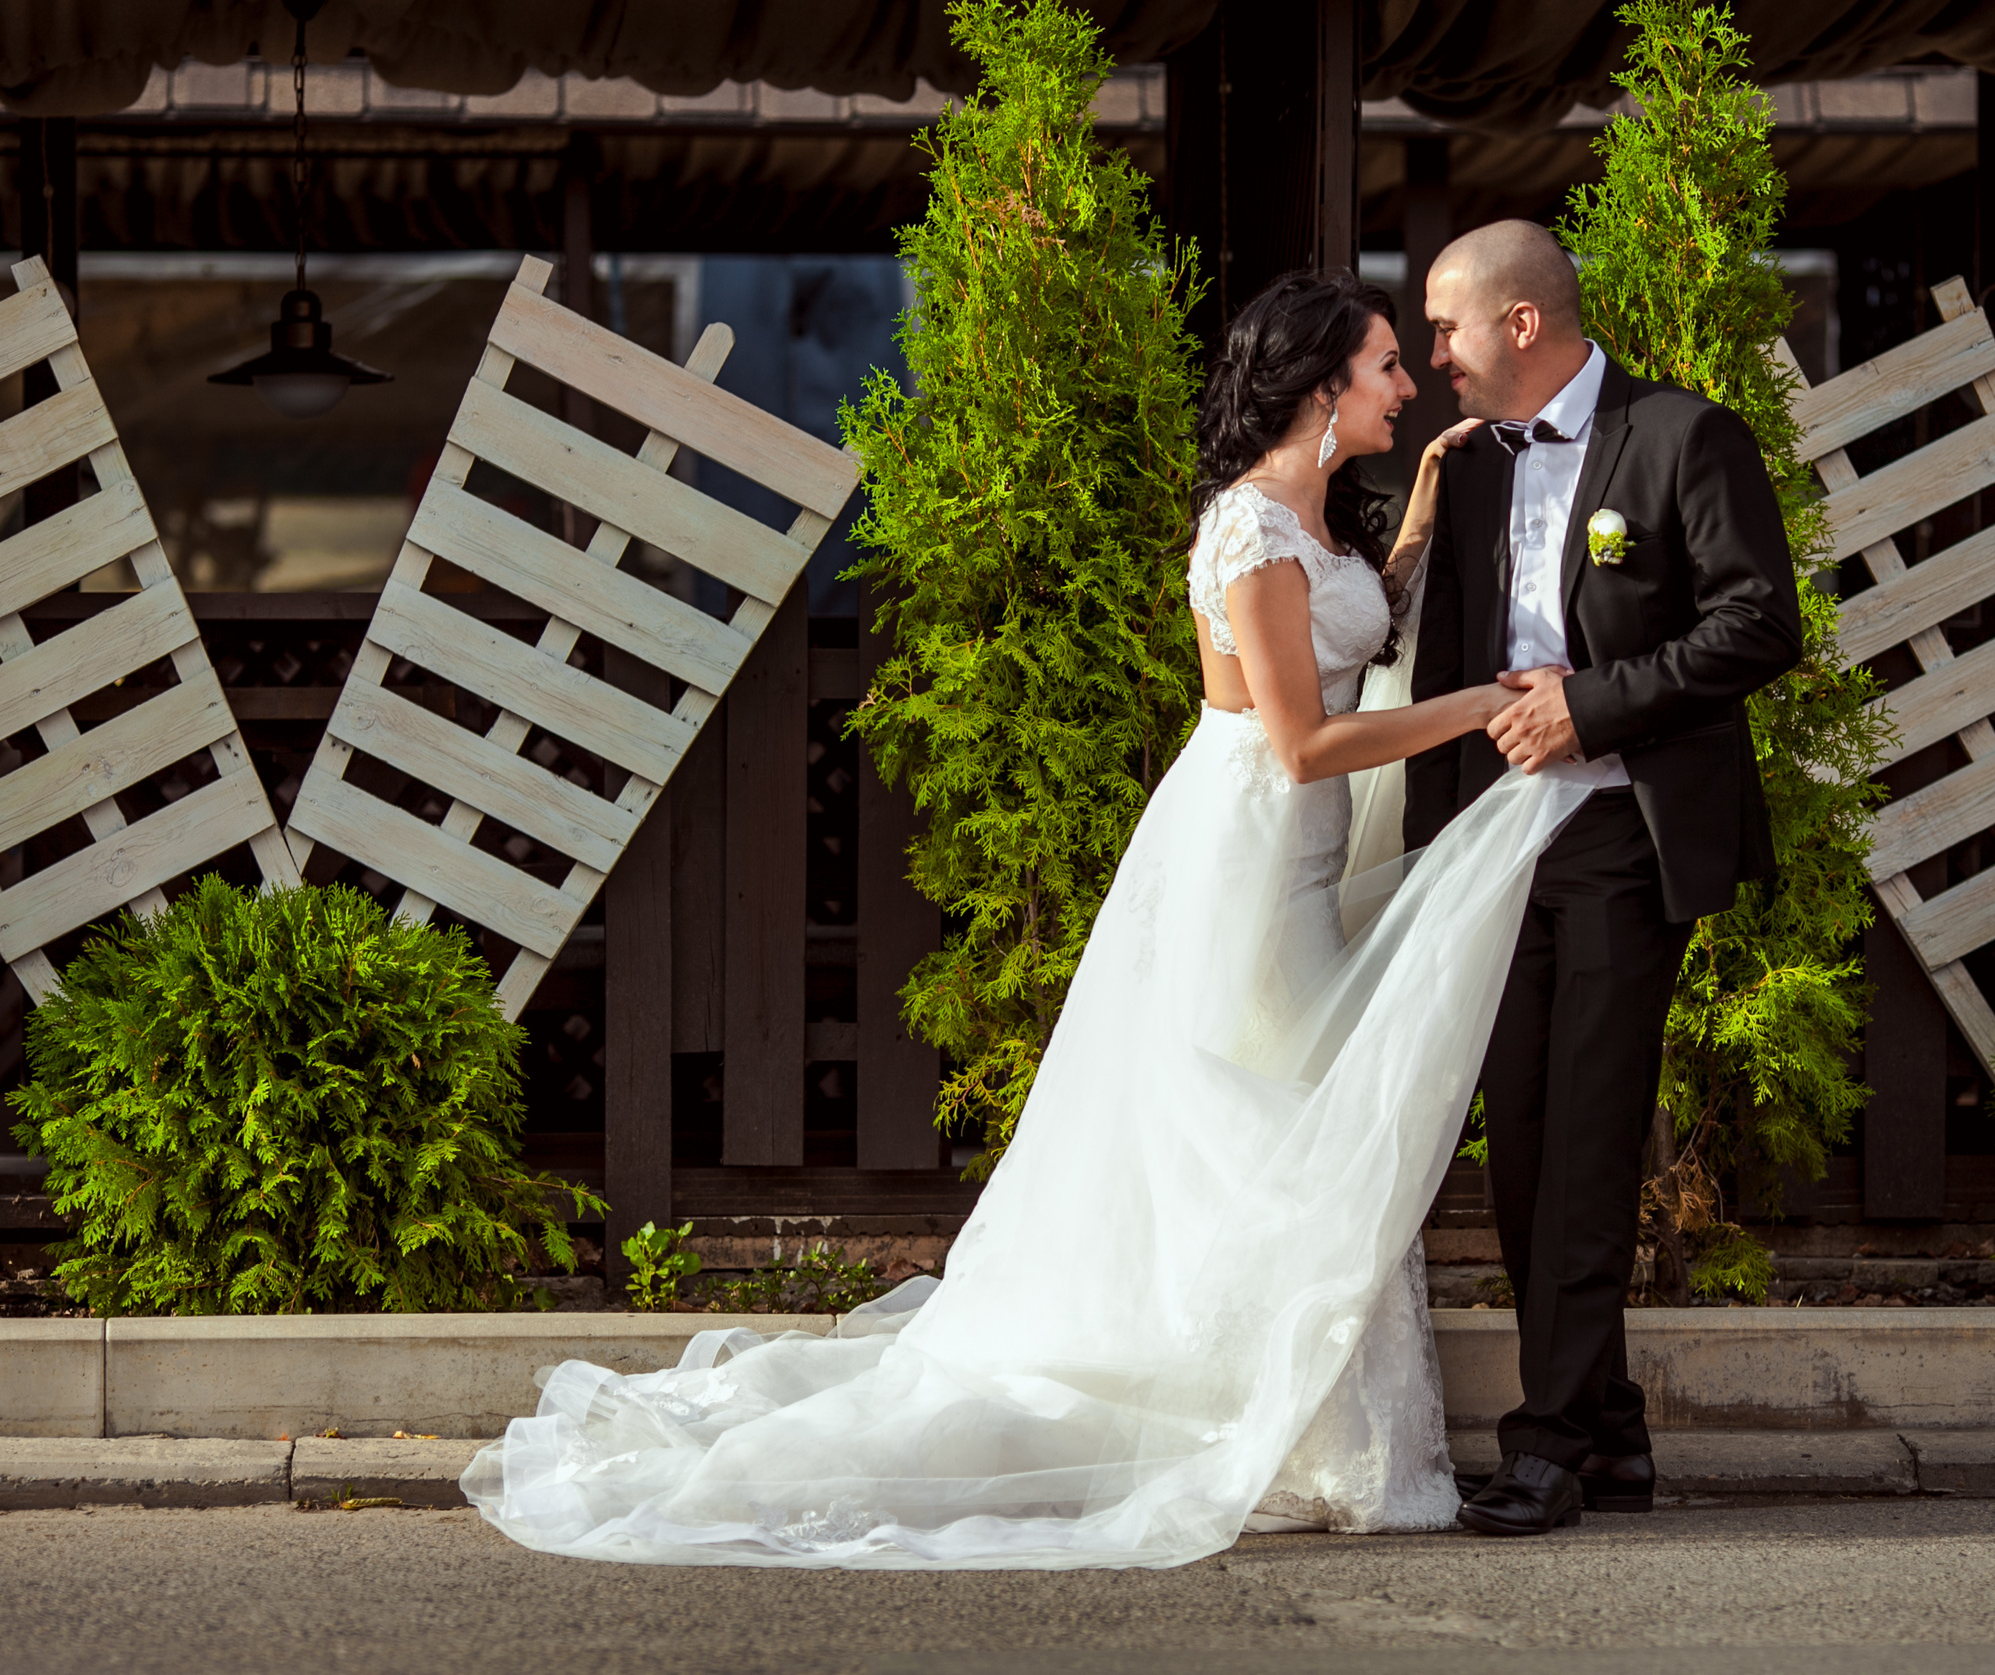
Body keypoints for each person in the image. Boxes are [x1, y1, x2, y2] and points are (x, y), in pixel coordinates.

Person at [462, 269, 1610, 1568]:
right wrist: (1484, 708)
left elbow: (1364, 618)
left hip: (1299, 859)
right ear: (1318, 386)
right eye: (1387, 366)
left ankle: (1298, 1426)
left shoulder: (1317, 525)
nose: (1408, 385)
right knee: (1252, 1114)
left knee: (1285, 1106)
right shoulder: (1246, 531)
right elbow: (1299, 744)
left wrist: (1425, 506)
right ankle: (1217, 1408)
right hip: (1247, 853)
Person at [1404, 221, 1804, 1537]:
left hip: (1624, 835)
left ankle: (1550, 1445)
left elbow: (1759, 623)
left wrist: (1599, 707)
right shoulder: (1466, 469)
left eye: (1446, 325)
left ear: (1522, 323)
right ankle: (1615, 1431)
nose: (1433, 352)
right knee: (1521, 1141)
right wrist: (1424, 860)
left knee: (1581, 1136)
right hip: (1494, 843)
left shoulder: (1684, 438)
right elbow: (1444, 659)